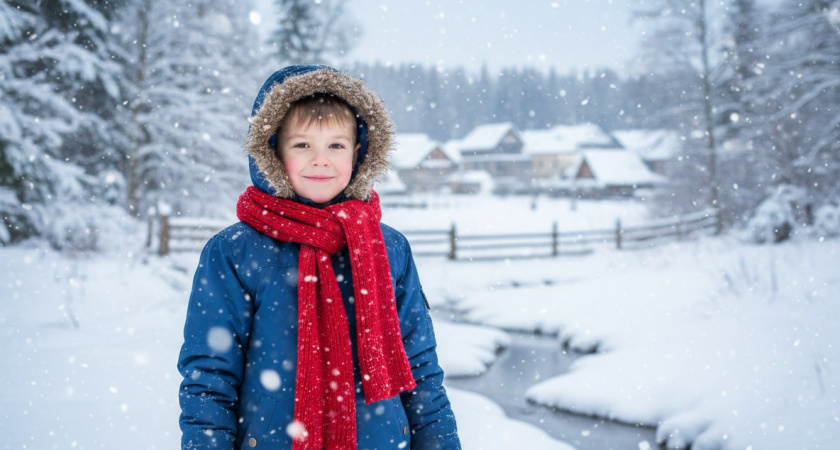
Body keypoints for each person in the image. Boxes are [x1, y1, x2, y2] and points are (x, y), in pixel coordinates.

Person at [177, 65, 461, 450]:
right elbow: (210, 378)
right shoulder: (235, 251)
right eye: (302, 145)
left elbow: (421, 369)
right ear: (273, 152)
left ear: (359, 154)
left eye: (336, 145)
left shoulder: (388, 247)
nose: (320, 160)